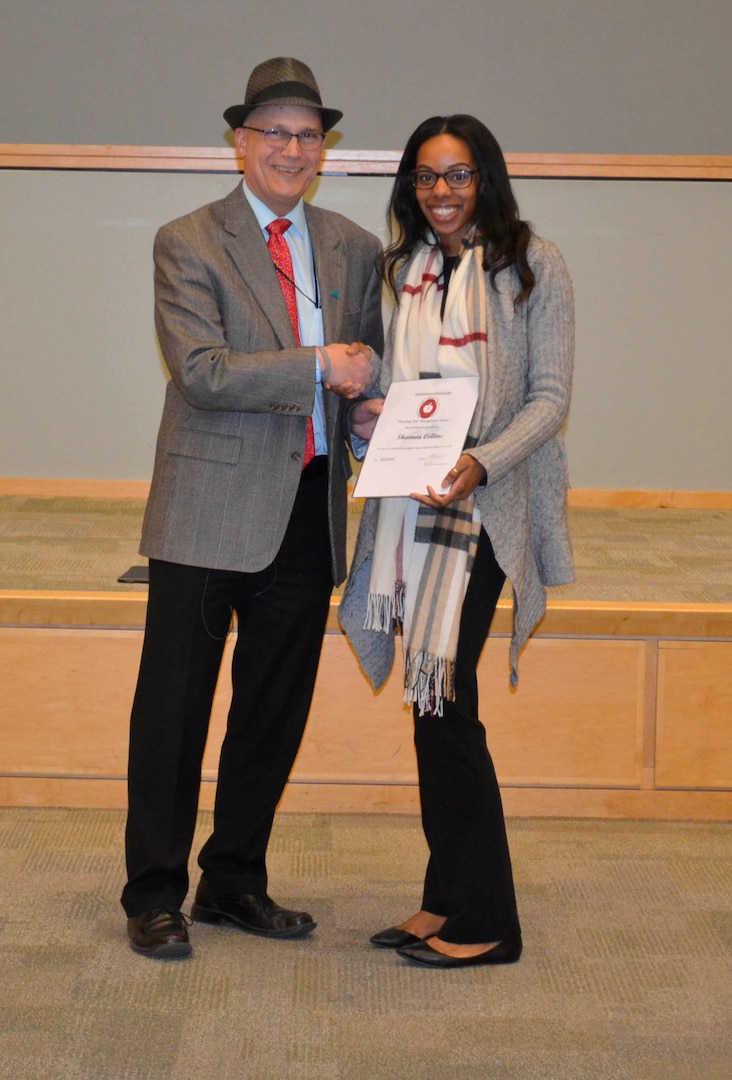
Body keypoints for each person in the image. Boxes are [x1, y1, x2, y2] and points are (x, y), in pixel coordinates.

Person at [122, 56, 384, 959]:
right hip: (206, 510)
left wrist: (372, 414)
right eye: (273, 132)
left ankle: (233, 881)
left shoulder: (355, 246)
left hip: (309, 510)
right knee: (173, 711)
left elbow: (366, 373)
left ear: (325, 148)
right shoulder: (187, 239)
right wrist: (320, 365)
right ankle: (153, 892)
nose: (291, 148)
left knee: (272, 711)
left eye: (308, 134)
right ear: (239, 143)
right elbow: (201, 373)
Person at [340, 114, 574, 969]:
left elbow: (549, 400)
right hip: (409, 516)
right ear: (411, 186)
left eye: (460, 175)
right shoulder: (398, 270)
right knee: (432, 706)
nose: (442, 192)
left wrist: (479, 461)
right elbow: (395, 394)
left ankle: (490, 919)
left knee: (450, 703)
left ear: (488, 179)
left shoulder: (532, 267)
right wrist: (369, 422)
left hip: (484, 513)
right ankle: (446, 899)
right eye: (427, 177)